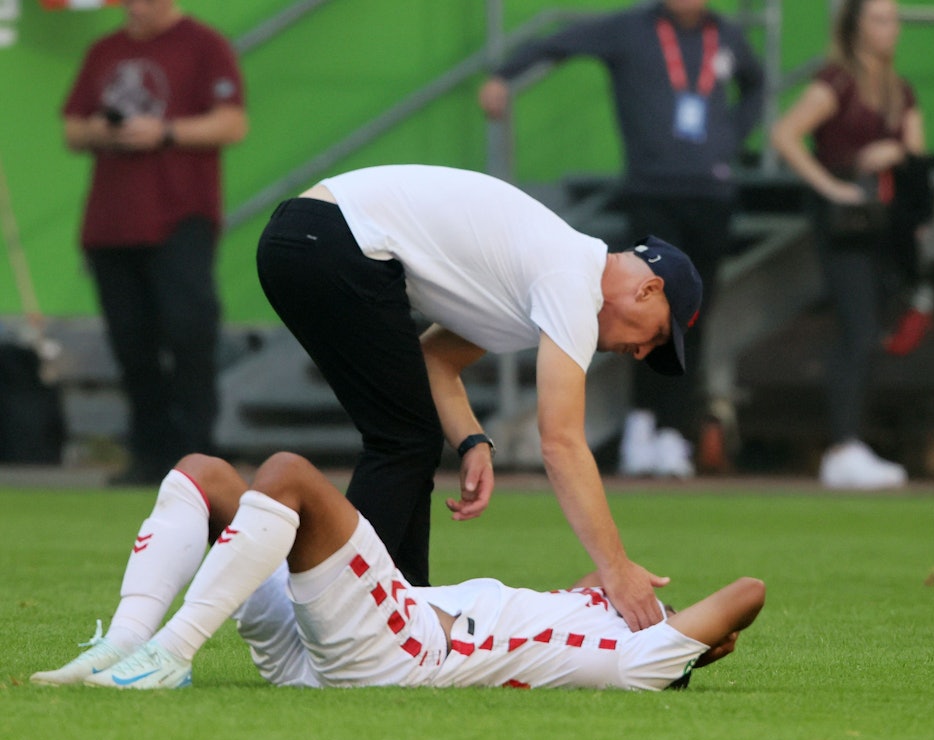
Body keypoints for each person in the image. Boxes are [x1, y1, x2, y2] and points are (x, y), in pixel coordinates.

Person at [256, 164, 703, 632]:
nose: (642, 353)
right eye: (656, 336)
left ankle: (403, 613)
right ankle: (342, 618)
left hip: (307, 237)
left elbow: (435, 360)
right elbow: (561, 443)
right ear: (648, 289)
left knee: (409, 438)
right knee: (404, 439)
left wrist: (471, 440)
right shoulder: (572, 280)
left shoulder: (545, 273)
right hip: (329, 240)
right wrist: (616, 569)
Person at [31, 451, 766, 691]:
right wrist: (604, 587)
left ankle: (168, 653)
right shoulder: (600, 621)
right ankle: (126, 641)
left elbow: (747, 593)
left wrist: (693, 632)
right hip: (331, 646)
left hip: (402, 650)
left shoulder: (647, 661)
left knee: (287, 475)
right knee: (204, 476)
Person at [479, 0, 765, 477]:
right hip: (652, 192)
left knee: (692, 318)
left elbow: (755, 85)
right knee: (639, 314)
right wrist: (502, 74)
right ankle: (642, 425)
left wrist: (729, 138)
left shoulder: (728, 36)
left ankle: (674, 431)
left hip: (712, 195)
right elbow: (559, 41)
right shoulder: (631, 30)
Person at [61, 0, 248, 486]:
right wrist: (103, 129)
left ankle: (199, 456)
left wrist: (164, 132)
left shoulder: (204, 44)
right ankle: (149, 454)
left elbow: (232, 122)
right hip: (111, 222)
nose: (134, 7)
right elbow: (73, 128)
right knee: (131, 343)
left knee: (190, 332)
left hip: (179, 215)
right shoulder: (105, 49)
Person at [770, 0, 933, 490]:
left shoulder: (898, 91)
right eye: (880, 19)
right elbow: (785, 134)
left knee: (873, 329)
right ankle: (843, 446)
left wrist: (898, 158)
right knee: (857, 328)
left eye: (895, 19)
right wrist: (832, 185)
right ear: (856, 26)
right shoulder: (837, 82)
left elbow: (918, 158)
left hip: (884, 227)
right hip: (845, 223)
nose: (891, 29)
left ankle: (851, 443)